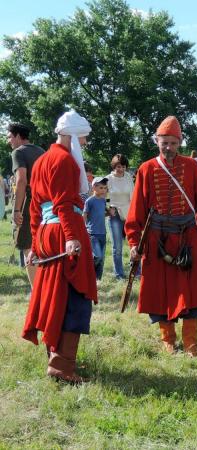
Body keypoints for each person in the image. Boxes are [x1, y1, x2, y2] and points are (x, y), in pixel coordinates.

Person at [124, 116, 197, 357]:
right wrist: (133, 241)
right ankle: (167, 340)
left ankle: (191, 342)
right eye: (164, 142)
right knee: (161, 292)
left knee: (195, 289)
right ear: (157, 141)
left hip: (188, 236)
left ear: (179, 142)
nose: (168, 147)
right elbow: (137, 207)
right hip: (156, 238)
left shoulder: (192, 167)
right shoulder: (146, 168)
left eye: (172, 142)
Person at [22, 111, 97, 383]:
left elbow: (34, 207)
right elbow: (64, 203)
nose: (86, 142)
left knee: (53, 295)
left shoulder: (42, 160)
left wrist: (33, 242)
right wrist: (70, 236)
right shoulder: (64, 160)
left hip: (45, 231)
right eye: (84, 137)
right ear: (74, 135)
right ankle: (62, 366)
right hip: (64, 231)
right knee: (73, 295)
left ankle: (56, 357)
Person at [7, 123, 45, 288]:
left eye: (9, 136)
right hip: (45, 203)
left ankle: (37, 291)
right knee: (43, 247)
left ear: (17, 136)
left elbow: (22, 180)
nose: (9, 141)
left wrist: (16, 209)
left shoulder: (18, 152)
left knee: (28, 247)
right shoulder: (41, 151)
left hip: (28, 204)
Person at [106, 154, 134, 280]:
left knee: (134, 244)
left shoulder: (128, 177)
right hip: (115, 213)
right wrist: (108, 208)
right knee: (117, 246)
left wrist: (135, 212)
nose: (120, 169)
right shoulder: (108, 179)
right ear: (114, 166)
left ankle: (137, 271)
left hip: (129, 212)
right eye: (118, 166)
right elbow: (102, 195)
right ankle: (119, 274)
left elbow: (133, 195)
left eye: (123, 166)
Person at [83, 177, 113, 280]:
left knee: (102, 259)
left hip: (103, 233)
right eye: (101, 187)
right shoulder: (89, 201)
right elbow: (85, 214)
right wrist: (83, 229)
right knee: (97, 256)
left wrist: (110, 213)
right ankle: (89, 272)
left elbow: (102, 214)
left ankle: (97, 279)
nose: (104, 190)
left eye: (105, 188)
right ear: (94, 187)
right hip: (93, 233)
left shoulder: (103, 201)